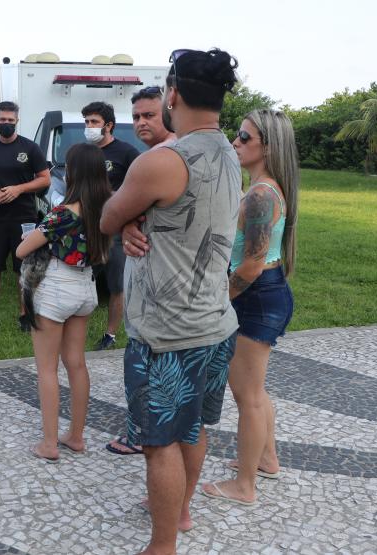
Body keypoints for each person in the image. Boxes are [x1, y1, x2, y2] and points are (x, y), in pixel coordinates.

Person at [102, 48, 241, 554]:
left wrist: (129, 221)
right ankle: (180, 514)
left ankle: (161, 546)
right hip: (217, 322)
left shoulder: (161, 161)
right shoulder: (230, 150)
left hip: (167, 332)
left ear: (173, 94)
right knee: (194, 426)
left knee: (158, 443)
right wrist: (142, 220)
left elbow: (106, 219)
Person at [199, 109, 299, 505]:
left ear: (268, 147)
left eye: (244, 137)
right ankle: (267, 458)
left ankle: (244, 486)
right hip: (264, 292)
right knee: (255, 390)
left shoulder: (261, 193)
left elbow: (253, 262)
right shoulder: (262, 187)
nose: (235, 143)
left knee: (248, 396)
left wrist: (219, 300)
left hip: (255, 296)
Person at [16, 143, 112, 461]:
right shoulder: (106, 209)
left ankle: (49, 444)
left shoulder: (63, 213)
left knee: (46, 368)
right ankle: (76, 436)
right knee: (77, 363)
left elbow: (22, 251)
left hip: (57, 287)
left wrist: (29, 237)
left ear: (73, 173)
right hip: (86, 288)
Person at [105, 86, 177, 457]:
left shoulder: (161, 158)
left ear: (168, 109)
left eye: (148, 115)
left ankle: (143, 436)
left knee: (145, 364)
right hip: (152, 277)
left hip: (159, 286)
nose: (141, 123)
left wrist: (120, 221)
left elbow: (109, 215)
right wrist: (126, 224)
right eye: (135, 117)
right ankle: (150, 434)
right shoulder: (156, 155)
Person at [0, 101, 50, 332]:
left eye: (10, 121)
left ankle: (25, 314)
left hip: (24, 216)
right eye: (2, 120)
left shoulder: (30, 148)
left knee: (23, 266)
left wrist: (19, 189)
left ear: (17, 121)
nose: (6, 124)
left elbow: (45, 179)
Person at [82, 101, 140, 351]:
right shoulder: (83, 153)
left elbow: (139, 188)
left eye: (94, 122)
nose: (89, 127)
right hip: (87, 228)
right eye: (86, 122)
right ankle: (76, 329)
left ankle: (111, 334)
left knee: (117, 284)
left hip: (116, 231)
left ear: (109, 125)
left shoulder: (126, 153)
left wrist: (113, 197)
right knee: (83, 278)